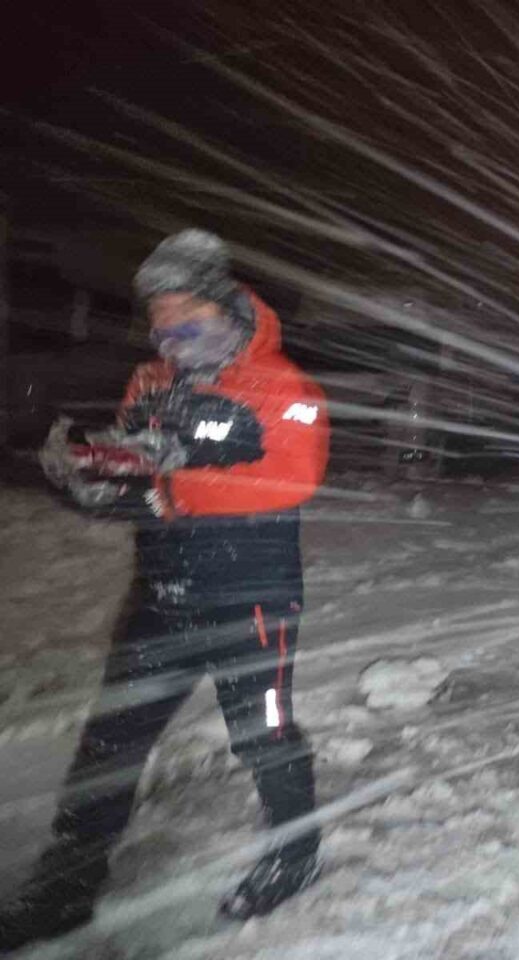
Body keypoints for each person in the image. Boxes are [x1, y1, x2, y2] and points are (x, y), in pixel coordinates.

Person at [1, 229, 330, 951]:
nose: (172, 335)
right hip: (162, 598)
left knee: (264, 736)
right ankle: (66, 887)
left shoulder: (283, 388)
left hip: (252, 600)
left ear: (228, 310)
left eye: (187, 318)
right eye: (160, 321)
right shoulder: (150, 383)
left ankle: (296, 855)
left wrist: (171, 480)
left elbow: (292, 479)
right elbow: (137, 479)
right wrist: (89, 484)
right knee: (109, 744)